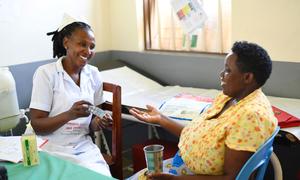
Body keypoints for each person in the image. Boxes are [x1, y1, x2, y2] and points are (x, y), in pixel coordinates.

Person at [129, 41, 278, 179]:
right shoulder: (229, 98)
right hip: (181, 167)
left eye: (227, 70)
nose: (221, 75)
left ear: (247, 77)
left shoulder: (249, 117)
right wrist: (161, 118)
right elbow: (199, 136)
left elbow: (231, 178)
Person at [29, 14, 112, 176]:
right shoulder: (46, 74)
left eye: (92, 46)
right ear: (66, 43)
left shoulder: (93, 74)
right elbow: (37, 125)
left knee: (99, 176)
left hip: (82, 147)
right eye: (82, 44)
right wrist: (69, 115)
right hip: (49, 147)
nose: (88, 51)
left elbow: (93, 122)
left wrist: (100, 121)